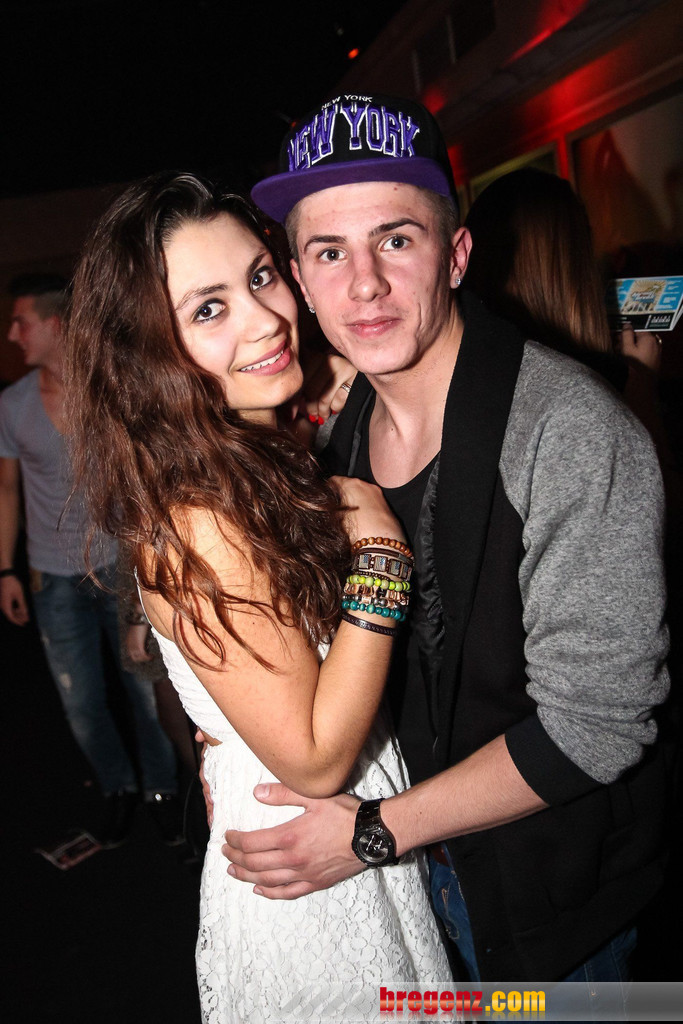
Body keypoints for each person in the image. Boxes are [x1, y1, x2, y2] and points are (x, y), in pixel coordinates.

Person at [222, 94, 670, 994]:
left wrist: (372, 832)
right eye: (329, 252)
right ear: (300, 281)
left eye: (395, 240)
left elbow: (596, 724)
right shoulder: (340, 434)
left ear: (456, 255)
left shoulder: (568, 432)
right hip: (409, 888)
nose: (364, 285)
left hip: (550, 909)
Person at [65, 172, 450, 1023]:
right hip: (304, 871)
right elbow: (312, 756)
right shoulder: (200, 518)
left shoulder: (251, 459)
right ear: (148, 357)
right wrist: (380, 555)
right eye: (209, 309)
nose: (265, 318)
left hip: (334, 840)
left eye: (260, 277)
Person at [0, 273, 181, 847]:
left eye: (21, 322)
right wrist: (6, 569)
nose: (12, 334)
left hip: (121, 570)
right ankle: (117, 787)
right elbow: (6, 490)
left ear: (54, 325)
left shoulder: (112, 392)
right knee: (81, 703)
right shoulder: (12, 404)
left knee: (146, 693)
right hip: (52, 578)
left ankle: (162, 791)